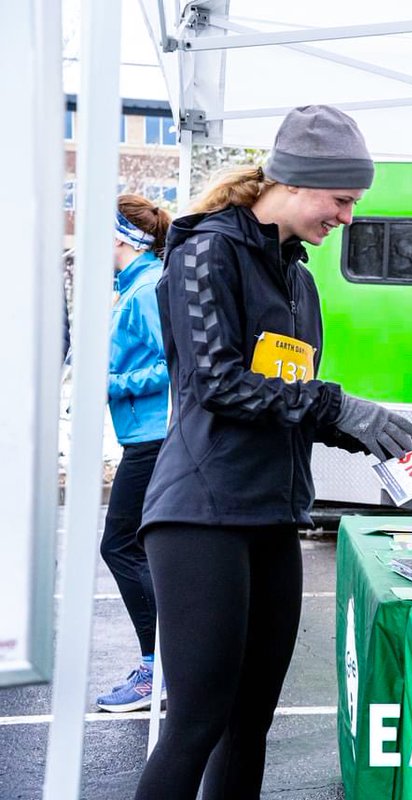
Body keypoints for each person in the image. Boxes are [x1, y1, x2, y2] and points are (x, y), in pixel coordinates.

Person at [135, 105, 412, 799]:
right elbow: (218, 383)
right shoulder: (206, 249)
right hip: (201, 514)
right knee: (197, 723)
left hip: (271, 515)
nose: (348, 218)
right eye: (342, 200)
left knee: (249, 723)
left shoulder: (299, 277)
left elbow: (283, 397)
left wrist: (359, 430)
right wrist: (333, 403)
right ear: (293, 183)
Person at [94, 195, 172, 712]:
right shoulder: (137, 284)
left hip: (154, 436)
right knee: (137, 547)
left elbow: (177, 364)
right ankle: (164, 663)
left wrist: (112, 383)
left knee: (120, 545)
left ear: (120, 238)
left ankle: (157, 668)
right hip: (145, 436)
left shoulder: (145, 289)